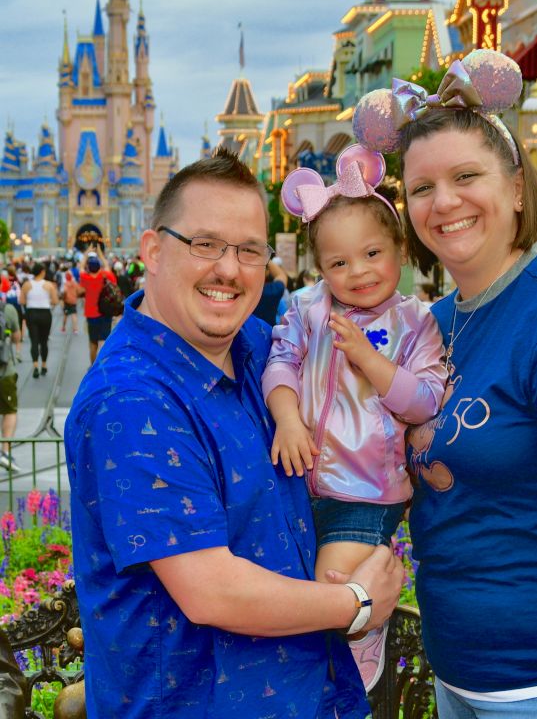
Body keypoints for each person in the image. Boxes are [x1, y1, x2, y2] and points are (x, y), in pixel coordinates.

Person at [64, 148, 404, 718]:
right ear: (152, 250)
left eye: (249, 250)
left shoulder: (258, 349)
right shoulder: (130, 399)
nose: (229, 269)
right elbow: (211, 590)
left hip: (313, 696)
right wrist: (358, 602)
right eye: (205, 244)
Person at [353, 48, 537, 717]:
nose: (445, 202)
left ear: (517, 185)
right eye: (422, 187)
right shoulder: (432, 325)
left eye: (467, 176)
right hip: (458, 674)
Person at [263, 145, 446, 691]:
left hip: (366, 492)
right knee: (300, 591)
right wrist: (288, 420)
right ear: (319, 268)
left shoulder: (416, 322)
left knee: (336, 583)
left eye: (372, 254)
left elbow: (424, 401)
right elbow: (280, 364)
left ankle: (362, 645)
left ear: (400, 250)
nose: (358, 272)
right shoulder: (304, 308)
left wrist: (369, 358)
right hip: (300, 484)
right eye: (339, 263)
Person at [78, 248, 117, 366]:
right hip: (106, 313)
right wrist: (100, 253)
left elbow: (80, 267)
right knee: (105, 342)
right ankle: (104, 365)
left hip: (91, 314)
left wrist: (85, 253)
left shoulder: (86, 278)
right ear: (99, 267)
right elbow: (107, 266)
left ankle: (93, 366)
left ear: (88, 268)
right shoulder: (106, 276)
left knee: (93, 342)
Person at [19, 262, 58, 379]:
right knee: (44, 341)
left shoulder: (26, 285)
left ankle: (35, 365)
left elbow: (22, 301)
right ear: (42, 272)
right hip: (45, 313)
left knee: (34, 340)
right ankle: (44, 365)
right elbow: (55, 301)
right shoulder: (49, 285)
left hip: (32, 313)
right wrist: (46, 301)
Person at [0, 298, 21, 472]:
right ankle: (5, 452)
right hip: (4, 370)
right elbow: (16, 337)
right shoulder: (8, 309)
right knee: (9, 411)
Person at [252, 257, 288, 325]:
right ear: (267, 272)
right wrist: (264, 254)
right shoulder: (272, 291)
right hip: (268, 334)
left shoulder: (235, 292)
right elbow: (281, 275)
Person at [60, 270, 84, 334]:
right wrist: (76, 295)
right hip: (73, 301)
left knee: (65, 315)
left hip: (67, 301)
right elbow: (79, 291)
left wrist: (63, 298)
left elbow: (64, 292)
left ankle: (63, 327)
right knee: (74, 314)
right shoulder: (75, 283)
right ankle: (75, 329)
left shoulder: (66, 284)